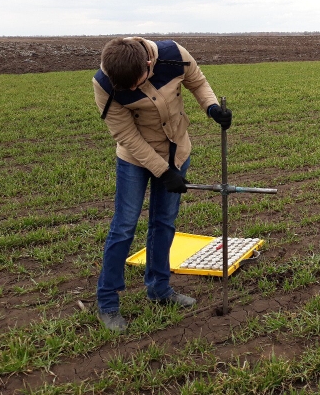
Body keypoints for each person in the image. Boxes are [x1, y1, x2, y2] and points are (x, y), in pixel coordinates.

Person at [92, 36, 232, 332]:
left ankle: (159, 289)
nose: (130, 89)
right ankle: (107, 302)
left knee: (164, 222)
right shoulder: (105, 83)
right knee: (124, 226)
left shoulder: (174, 55)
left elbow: (198, 81)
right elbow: (126, 136)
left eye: (136, 82)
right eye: (125, 87)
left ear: (148, 63)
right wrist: (162, 171)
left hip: (177, 152)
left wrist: (212, 107)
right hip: (135, 159)